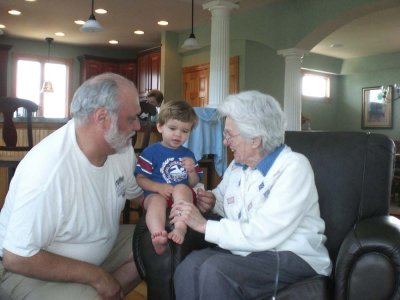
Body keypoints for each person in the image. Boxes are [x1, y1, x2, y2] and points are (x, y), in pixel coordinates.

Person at [170, 91, 332, 299]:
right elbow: (223, 198)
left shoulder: (293, 167)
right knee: (189, 266)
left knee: (215, 271)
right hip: (247, 252)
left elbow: (264, 232)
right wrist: (210, 201)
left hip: (293, 256)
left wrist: (204, 225)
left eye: (229, 134)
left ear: (255, 140)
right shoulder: (239, 165)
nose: (225, 141)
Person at [0, 73, 144, 300]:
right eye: (131, 119)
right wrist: (96, 276)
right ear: (103, 118)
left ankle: (105, 292)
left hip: (98, 249)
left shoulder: (120, 150)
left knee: (155, 242)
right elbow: (16, 257)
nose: (138, 126)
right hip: (25, 268)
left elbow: (139, 196)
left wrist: (176, 199)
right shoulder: (48, 172)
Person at [135, 100, 203, 255]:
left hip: (182, 196)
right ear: (160, 127)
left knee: (181, 187)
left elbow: (194, 183)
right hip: (157, 194)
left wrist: (192, 171)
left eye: (185, 131)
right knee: (155, 200)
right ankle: (157, 234)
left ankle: (180, 227)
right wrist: (158, 187)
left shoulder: (189, 155)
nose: (178, 134)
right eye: (172, 128)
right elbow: (140, 178)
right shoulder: (150, 152)